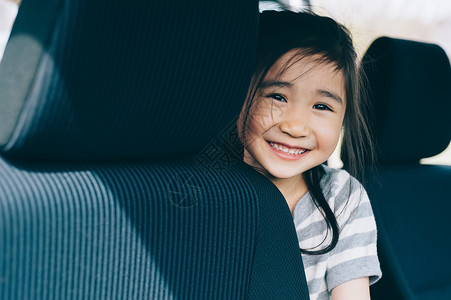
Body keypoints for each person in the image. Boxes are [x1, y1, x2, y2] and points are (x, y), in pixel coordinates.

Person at [237, 11, 381, 300]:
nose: (294, 127)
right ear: (239, 95)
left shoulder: (343, 198)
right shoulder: (200, 188)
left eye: (322, 107)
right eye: (277, 97)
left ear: (343, 119)